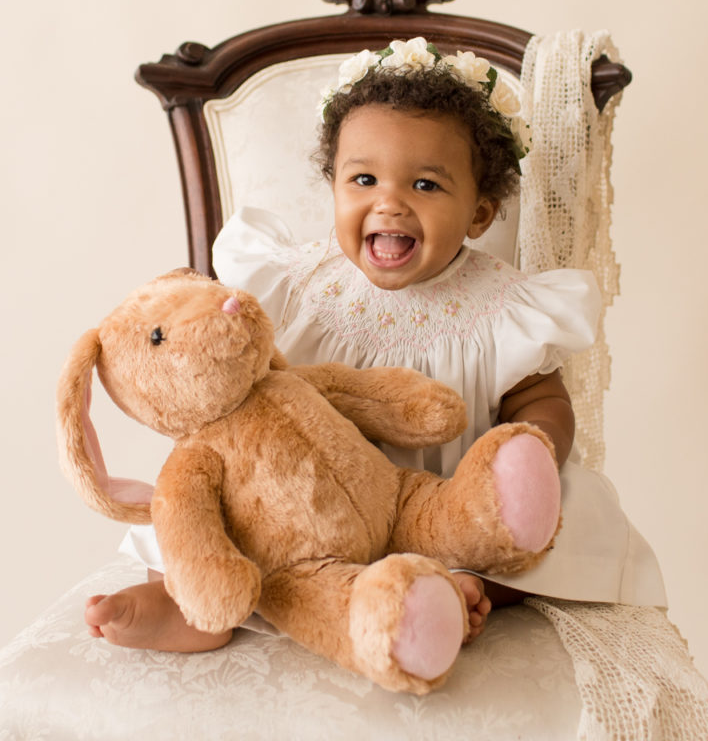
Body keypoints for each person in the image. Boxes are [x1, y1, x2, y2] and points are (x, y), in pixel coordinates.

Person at [85, 37, 665, 653]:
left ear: (480, 213)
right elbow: (240, 378)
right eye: (363, 178)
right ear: (332, 186)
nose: (389, 202)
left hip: (439, 510)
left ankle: (463, 586)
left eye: (425, 185)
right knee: (198, 511)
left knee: (544, 523)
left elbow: (541, 397)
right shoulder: (294, 283)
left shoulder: (504, 307)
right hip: (304, 507)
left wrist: (534, 451)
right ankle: (183, 603)